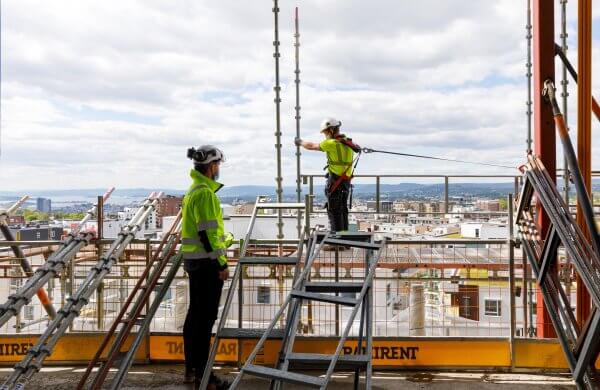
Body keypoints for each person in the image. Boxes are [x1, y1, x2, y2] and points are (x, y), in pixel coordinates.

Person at [181, 145, 233, 389]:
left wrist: (225, 241)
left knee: (195, 316)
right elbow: (208, 233)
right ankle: (205, 377)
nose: (219, 169)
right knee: (204, 320)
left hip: (195, 262)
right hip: (206, 265)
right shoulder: (205, 193)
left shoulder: (193, 190)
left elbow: (203, 232)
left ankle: (192, 369)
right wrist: (221, 263)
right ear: (211, 166)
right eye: (218, 165)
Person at [295, 118, 360, 232]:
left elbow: (311, 146)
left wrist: (299, 142)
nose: (325, 135)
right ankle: (344, 240)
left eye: (325, 132)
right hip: (345, 182)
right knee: (343, 210)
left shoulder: (331, 143)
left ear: (330, 130)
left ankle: (337, 242)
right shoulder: (348, 143)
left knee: (334, 210)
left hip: (335, 181)